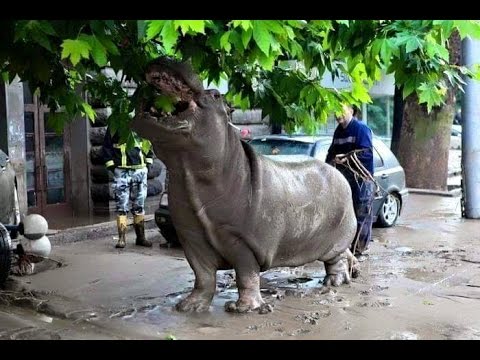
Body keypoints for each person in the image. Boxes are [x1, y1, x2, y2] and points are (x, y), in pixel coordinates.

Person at [325, 103, 375, 256]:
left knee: (361, 213)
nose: (337, 115)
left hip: (362, 179)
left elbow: (366, 153)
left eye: (341, 110)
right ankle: (347, 249)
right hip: (344, 179)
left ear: (351, 111)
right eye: (335, 111)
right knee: (347, 214)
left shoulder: (361, 129)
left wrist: (345, 158)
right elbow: (331, 154)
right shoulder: (338, 132)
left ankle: (358, 251)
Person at [103, 127, 154, 249]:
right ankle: (121, 239)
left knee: (139, 204)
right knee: (122, 205)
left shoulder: (141, 124)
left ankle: (141, 238)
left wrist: (147, 164)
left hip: (140, 171)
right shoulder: (115, 126)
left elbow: (149, 145)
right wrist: (113, 168)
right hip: (122, 171)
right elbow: (106, 148)